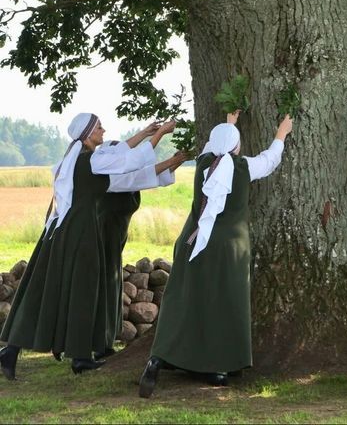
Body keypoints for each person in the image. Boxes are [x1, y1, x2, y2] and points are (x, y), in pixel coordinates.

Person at [0, 114, 175, 379]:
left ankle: (12, 352)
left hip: (62, 231)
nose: (103, 130)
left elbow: (119, 154)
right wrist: (160, 134)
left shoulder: (78, 160)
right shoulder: (91, 161)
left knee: (44, 290)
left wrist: (145, 133)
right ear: (88, 134)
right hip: (80, 232)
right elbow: (127, 160)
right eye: (99, 127)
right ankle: (79, 357)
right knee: (83, 289)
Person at [138, 110, 294, 398]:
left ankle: (160, 357)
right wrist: (281, 133)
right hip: (227, 246)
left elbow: (216, 145)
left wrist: (228, 125)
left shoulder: (203, 163)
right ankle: (217, 367)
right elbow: (270, 159)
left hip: (192, 242)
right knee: (222, 302)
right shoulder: (243, 167)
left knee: (184, 299)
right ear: (236, 146)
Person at [94, 135, 191, 361]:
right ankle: (99, 343)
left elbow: (149, 177)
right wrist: (171, 157)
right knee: (104, 286)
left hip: (115, 235)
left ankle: (105, 340)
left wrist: (177, 161)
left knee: (112, 284)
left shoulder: (124, 176)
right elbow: (141, 176)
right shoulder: (110, 177)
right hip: (103, 234)